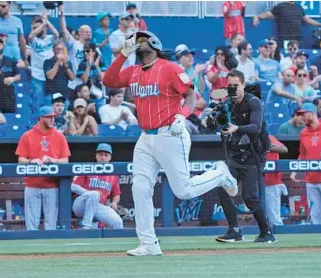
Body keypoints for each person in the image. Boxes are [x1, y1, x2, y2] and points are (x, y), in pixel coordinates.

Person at [103, 31, 237, 256]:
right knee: (140, 187)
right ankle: (149, 244)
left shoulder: (170, 67)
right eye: (136, 40)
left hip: (170, 132)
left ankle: (219, 174)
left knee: (183, 190)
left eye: (142, 39)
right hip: (145, 137)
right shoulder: (133, 71)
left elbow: (192, 96)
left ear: (154, 43)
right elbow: (108, 80)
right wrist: (123, 54)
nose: (138, 42)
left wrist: (182, 115)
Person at [211, 70, 277, 244]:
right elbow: (217, 120)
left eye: (235, 86)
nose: (232, 89)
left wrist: (236, 128)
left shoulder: (254, 102)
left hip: (254, 156)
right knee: (223, 189)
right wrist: (212, 121)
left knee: (249, 197)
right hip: (235, 154)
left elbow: (255, 127)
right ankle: (234, 230)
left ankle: (266, 232)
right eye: (229, 86)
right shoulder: (228, 104)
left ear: (243, 85)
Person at [15, 106, 71, 231]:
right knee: (31, 224)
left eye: (53, 117)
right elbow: (20, 161)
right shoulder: (27, 135)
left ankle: (50, 250)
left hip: (51, 185)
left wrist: (54, 160)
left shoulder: (59, 136)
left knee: (51, 224)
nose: (52, 120)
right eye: (48, 117)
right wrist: (31, 161)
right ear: (40, 118)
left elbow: (65, 161)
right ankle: (32, 249)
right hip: (32, 185)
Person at [71, 143, 124, 229]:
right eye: (100, 154)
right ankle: (86, 227)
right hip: (81, 205)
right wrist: (91, 193)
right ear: (96, 156)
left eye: (106, 155)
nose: (103, 157)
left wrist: (114, 202)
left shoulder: (113, 175)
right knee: (94, 195)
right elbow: (73, 186)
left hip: (97, 207)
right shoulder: (87, 167)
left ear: (110, 157)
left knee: (118, 222)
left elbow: (116, 194)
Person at [290, 103, 321, 224]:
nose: (301, 117)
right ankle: (317, 242)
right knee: (315, 216)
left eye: (303, 114)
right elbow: (302, 154)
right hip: (311, 180)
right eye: (300, 114)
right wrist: (295, 170)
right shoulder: (304, 133)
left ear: (312, 113)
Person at [253, 1, 321, 48]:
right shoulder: (280, 6)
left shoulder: (299, 7)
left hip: (298, 40)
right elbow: (267, 14)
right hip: (284, 39)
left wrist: (320, 24)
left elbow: (307, 19)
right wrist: (257, 17)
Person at [28, 13, 59, 110]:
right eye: (34, 28)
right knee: (37, 101)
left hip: (49, 75)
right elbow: (31, 36)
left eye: (38, 27)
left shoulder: (50, 38)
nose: (37, 30)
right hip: (37, 76)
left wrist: (46, 21)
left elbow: (57, 34)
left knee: (49, 101)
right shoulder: (34, 40)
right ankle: (36, 123)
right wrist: (43, 23)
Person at [58, 3, 92, 88]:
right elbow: (64, 30)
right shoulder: (74, 44)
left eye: (90, 32)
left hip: (87, 83)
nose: (89, 33)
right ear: (80, 33)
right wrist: (62, 14)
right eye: (86, 32)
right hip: (73, 82)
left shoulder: (92, 48)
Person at [264, 135, 288, 226]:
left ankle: (279, 236)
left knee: (274, 219)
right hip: (256, 183)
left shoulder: (268, 137)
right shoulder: (247, 139)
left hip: (272, 183)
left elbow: (284, 149)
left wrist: (267, 146)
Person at [43, 40, 75, 104]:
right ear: (53, 50)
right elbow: (50, 76)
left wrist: (66, 66)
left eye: (62, 49)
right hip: (51, 94)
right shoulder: (48, 62)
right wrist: (58, 61)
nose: (60, 51)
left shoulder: (68, 63)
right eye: (57, 49)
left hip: (64, 95)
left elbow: (72, 78)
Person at [77, 42, 106, 108]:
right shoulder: (82, 64)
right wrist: (89, 66)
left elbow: (103, 79)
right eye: (84, 51)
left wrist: (97, 67)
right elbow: (84, 80)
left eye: (87, 51)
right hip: (87, 96)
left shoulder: (101, 62)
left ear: (94, 52)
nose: (85, 53)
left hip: (99, 95)